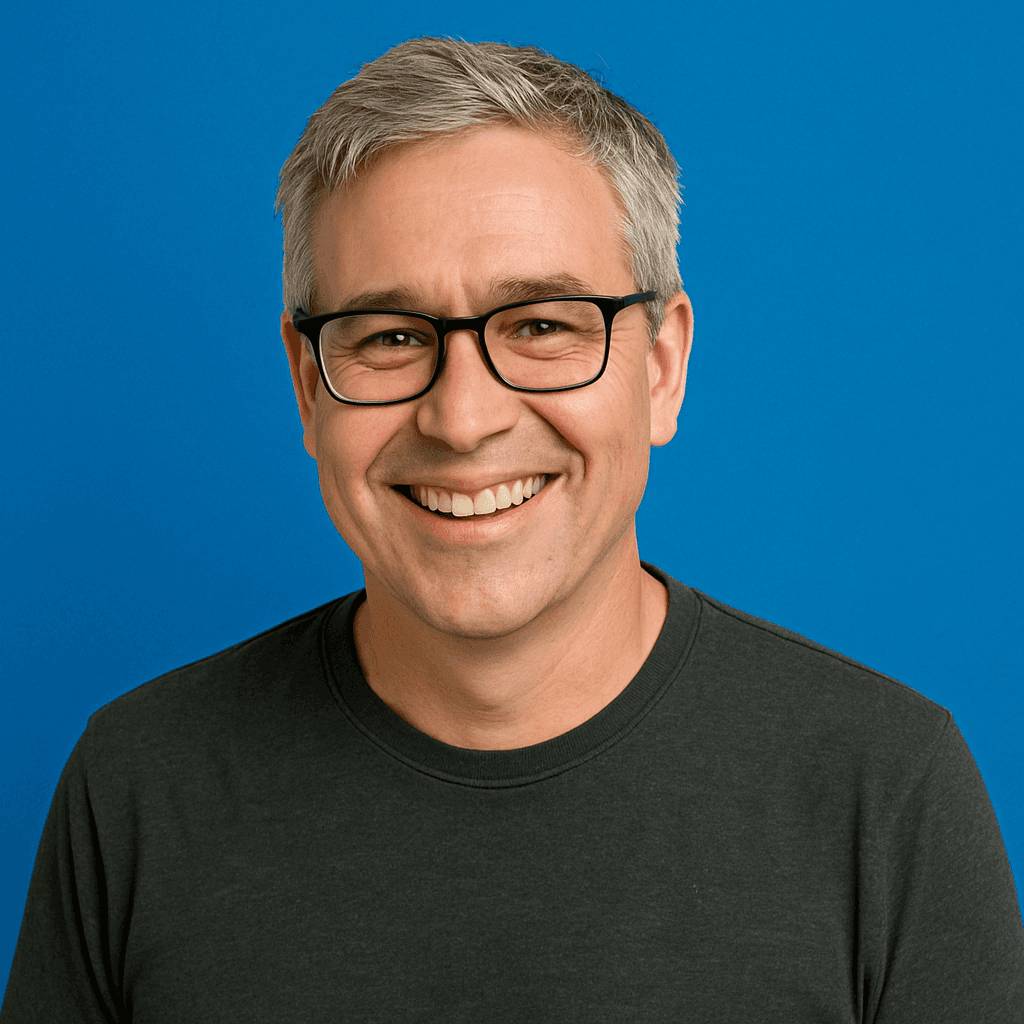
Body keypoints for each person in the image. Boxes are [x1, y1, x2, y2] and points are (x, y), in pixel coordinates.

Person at [3, 36, 1022, 1023]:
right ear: (309, 387)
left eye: (539, 325)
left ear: (661, 367)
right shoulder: (138, 787)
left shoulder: (888, 794)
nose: (462, 418)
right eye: (391, 337)